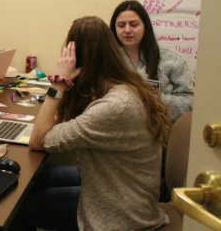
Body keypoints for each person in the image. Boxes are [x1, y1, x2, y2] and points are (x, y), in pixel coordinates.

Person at [16, 16, 171, 231]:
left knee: (20, 206)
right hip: (119, 186)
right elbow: (62, 121)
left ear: (77, 60)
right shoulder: (122, 85)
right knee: (27, 176)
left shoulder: (114, 107)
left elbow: (38, 140)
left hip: (119, 215)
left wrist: (58, 86)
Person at [110, 0, 194, 122]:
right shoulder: (108, 61)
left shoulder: (172, 61)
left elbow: (190, 103)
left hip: (159, 134)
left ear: (145, 26)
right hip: (118, 133)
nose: (127, 30)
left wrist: (155, 97)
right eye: (121, 25)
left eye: (134, 24)